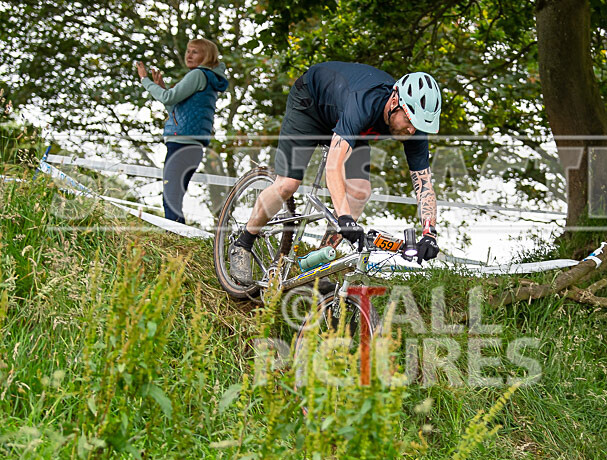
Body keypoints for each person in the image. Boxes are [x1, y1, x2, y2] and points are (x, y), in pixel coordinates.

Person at [229, 61, 442, 285]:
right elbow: (334, 165)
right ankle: (243, 241)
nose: (412, 130)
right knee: (288, 184)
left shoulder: (415, 130)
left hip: (352, 125)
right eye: (409, 121)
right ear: (395, 101)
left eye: (417, 126)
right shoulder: (364, 101)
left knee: (360, 191)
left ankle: (317, 264)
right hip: (310, 104)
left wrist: (430, 234)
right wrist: (345, 218)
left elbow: (424, 183)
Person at [136, 38, 229, 223]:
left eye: (195, 51)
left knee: (170, 199)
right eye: (188, 50)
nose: (189, 55)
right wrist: (162, 90)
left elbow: (167, 97)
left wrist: (144, 80)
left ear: (207, 56)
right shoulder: (209, 80)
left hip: (180, 145)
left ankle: (175, 240)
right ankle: (178, 241)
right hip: (192, 148)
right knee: (175, 198)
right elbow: (176, 111)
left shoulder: (197, 75)